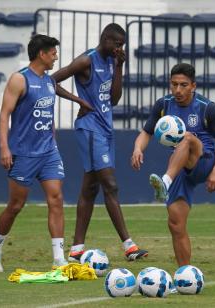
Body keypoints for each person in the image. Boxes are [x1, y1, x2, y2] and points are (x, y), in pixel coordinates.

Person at [52, 23, 148, 262]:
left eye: (122, 45)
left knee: (90, 188)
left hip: (105, 129)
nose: (119, 48)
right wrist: (79, 101)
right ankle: (129, 246)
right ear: (105, 39)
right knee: (110, 185)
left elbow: (114, 99)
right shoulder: (86, 61)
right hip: (90, 129)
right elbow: (51, 81)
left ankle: (75, 250)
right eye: (116, 44)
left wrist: (120, 66)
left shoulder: (112, 62)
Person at [131, 63, 215, 266]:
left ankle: (165, 183)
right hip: (180, 169)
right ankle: (184, 274)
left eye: (183, 85)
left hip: (203, 159)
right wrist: (138, 149)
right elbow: (147, 132)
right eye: (174, 84)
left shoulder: (206, 107)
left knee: (187, 138)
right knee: (176, 224)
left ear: (193, 86)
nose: (178, 90)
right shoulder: (163, 105)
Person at [0, 34, 68, 272]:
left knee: (56, 199)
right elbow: (4, 116)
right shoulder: (19, 79)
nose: (55, 57)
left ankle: (58, 258)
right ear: (41, 54)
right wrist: (4, 147)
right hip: (23, 154)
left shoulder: (50, 82)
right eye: (52, 53)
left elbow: (49, 116)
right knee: (15, 205)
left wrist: (52, 141)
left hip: (49, 152)